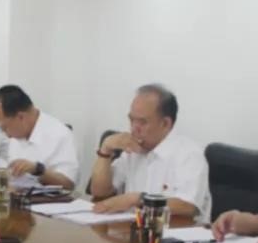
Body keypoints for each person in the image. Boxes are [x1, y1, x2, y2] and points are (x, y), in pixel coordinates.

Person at [89, 84, 210, 219]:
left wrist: (138, 199)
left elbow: (188, 206)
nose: (134, 128)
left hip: (173, 230)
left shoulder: (189, 154)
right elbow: (100, 193)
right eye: (131, 119)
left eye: (142, 122)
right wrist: (105, 150)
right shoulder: (133, 148)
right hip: (134, 226)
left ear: (165, 123)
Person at [0, 84, 78, 189]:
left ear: (21, 117)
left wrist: (37, 169)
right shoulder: (17, 134)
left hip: (45, 199)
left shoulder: (60, 134)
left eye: (6, 128)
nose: (7, 135)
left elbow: (68, 184)